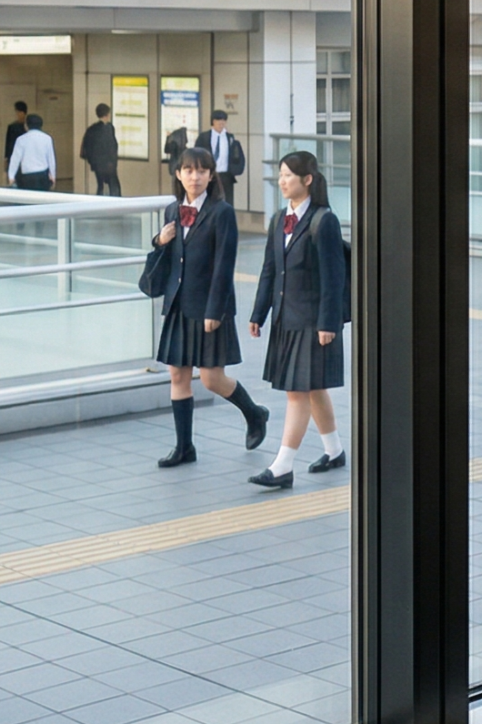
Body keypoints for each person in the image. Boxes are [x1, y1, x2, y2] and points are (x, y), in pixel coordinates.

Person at [141, 146, 270, 466]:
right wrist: (160, 240)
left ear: (211, 176)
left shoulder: (221, 212)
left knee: (212, 379)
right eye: (188, 170)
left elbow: (225, 265)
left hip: (210, 307)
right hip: (178, 304)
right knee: (178, 375)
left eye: (201, 171)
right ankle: (184, 447)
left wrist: (215, 311)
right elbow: (171, 258)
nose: (195, 177)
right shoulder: (172, 211)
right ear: (178, 174)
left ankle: (254, 413)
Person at [248, 152, 350, 489]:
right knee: (314, 388)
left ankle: (283, 466)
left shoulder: (324, 220)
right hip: (285, 317)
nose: (282, 181)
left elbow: (333, 277)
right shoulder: (279, 219)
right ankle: (334, 451)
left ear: (307, 180)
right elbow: (269, 269)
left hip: (312, 320)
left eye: (289, 175)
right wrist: (259, 313)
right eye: (280, 174)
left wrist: (328, 324)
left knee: (297, 391)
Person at [201, 110, 245, 205]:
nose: (221, 123)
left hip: (226, 175)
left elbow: (236, 155)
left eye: (224, 120)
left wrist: (234, 169)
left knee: (227, 201)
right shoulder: (204, 137)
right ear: (213, 121)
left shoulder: (230, 138)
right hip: (210, 174)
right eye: (218, 120)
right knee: (209, 200)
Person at [7, 113, 57, 191]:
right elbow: (51, 159)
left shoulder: (21, 139)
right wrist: (53, 175)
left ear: (26, 125)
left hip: (26, 176)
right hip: (42, 175)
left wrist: (11, 176)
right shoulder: (47, 138)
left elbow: (15, 159)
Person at [80, 104, 122, 197]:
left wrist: (93, 162)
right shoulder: (109, 128)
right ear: (107, 114)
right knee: (114, 186)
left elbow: (87, 148)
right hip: (109, 165)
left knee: (100, 185)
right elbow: (112, 147)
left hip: (97, 165)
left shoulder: (91, 129)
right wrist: (113, 162)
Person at [162, 123, 191, 193]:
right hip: (178, 169)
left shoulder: (180, 148)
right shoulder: (179, 147)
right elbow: (167, 150)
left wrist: (168, 138)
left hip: (177, 169)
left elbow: (166, 150)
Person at [4, 101, 29, 168]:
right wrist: (7, 158)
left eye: (19, 112)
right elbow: (8, 144)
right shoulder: (12, 127)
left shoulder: (29, 126)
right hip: (15, 156)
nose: (17, 114)